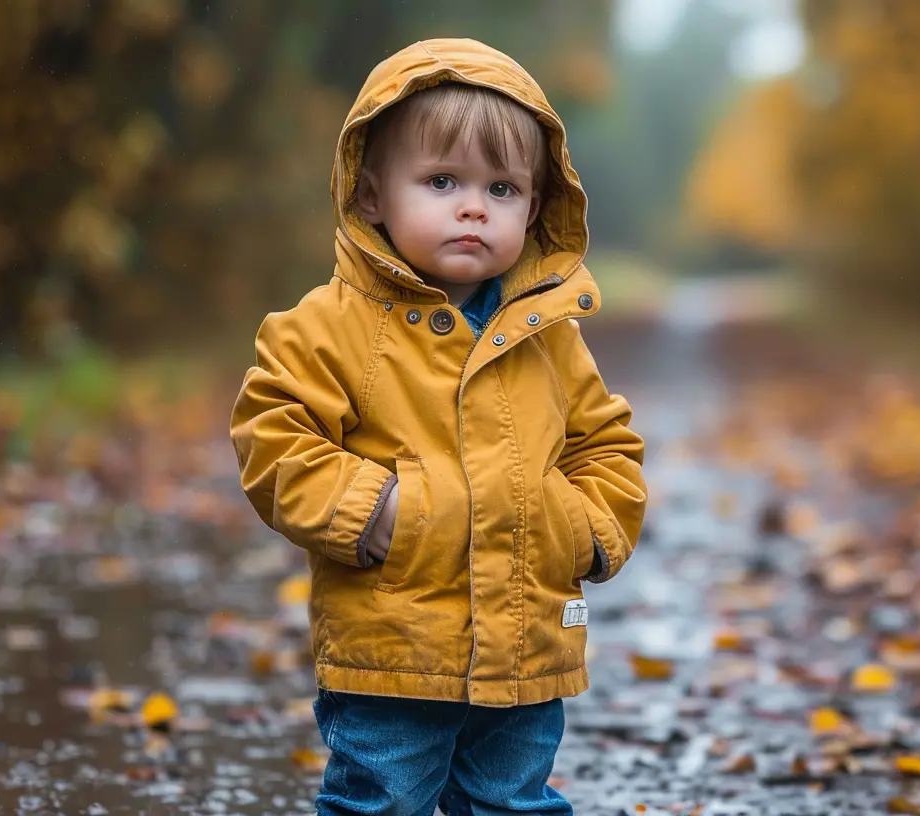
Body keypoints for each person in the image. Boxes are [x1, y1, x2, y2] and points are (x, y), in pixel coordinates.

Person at [229, 38, 647, 816]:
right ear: (370, 195)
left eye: (503, 188)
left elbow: (607, 447)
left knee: (514, 803)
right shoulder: (327, 327)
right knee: (380, 803)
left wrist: (583, 530)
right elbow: (274, 438)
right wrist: (374, 509)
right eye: (442, 180)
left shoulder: (547, 334)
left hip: (529, 644)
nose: (473, 206)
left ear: (536, 208)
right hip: (390, 650)